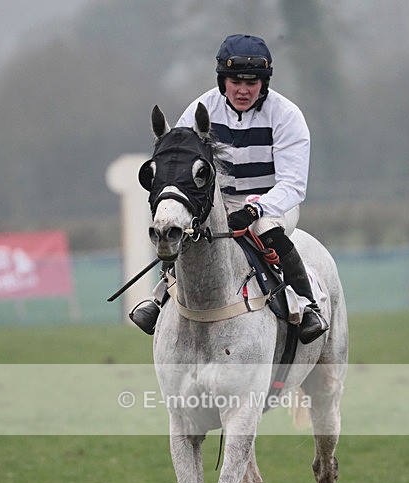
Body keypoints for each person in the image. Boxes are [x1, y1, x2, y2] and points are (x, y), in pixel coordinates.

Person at [131, 33, 328, 344]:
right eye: (235, 81)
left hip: (272, 203)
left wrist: (254, 209)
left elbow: (292, 184)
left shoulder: (287, 115)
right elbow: (181, 166)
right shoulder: (200, 108)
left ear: (264, 83)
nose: (243, 89)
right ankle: (160, 297)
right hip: (216, 202)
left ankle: (307, 304)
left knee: (265, 227)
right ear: (223, 80)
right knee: (181, 224)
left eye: (252, 82)